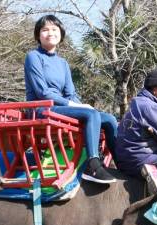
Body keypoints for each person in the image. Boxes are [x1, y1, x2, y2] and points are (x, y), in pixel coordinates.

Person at [24, 15, 117, 184]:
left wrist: (80, 104)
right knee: (90, 115)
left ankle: (121, 162)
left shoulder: (63, 63)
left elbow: (70, 93)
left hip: (60, 109)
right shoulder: (33, 57)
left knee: (109, 119)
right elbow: (42, 92)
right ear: (38, 35)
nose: (50, 33)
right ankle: (93, 164)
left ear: (61, 34)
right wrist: (75, 105)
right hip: (42, 109)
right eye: (45, 30)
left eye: (54, 29)